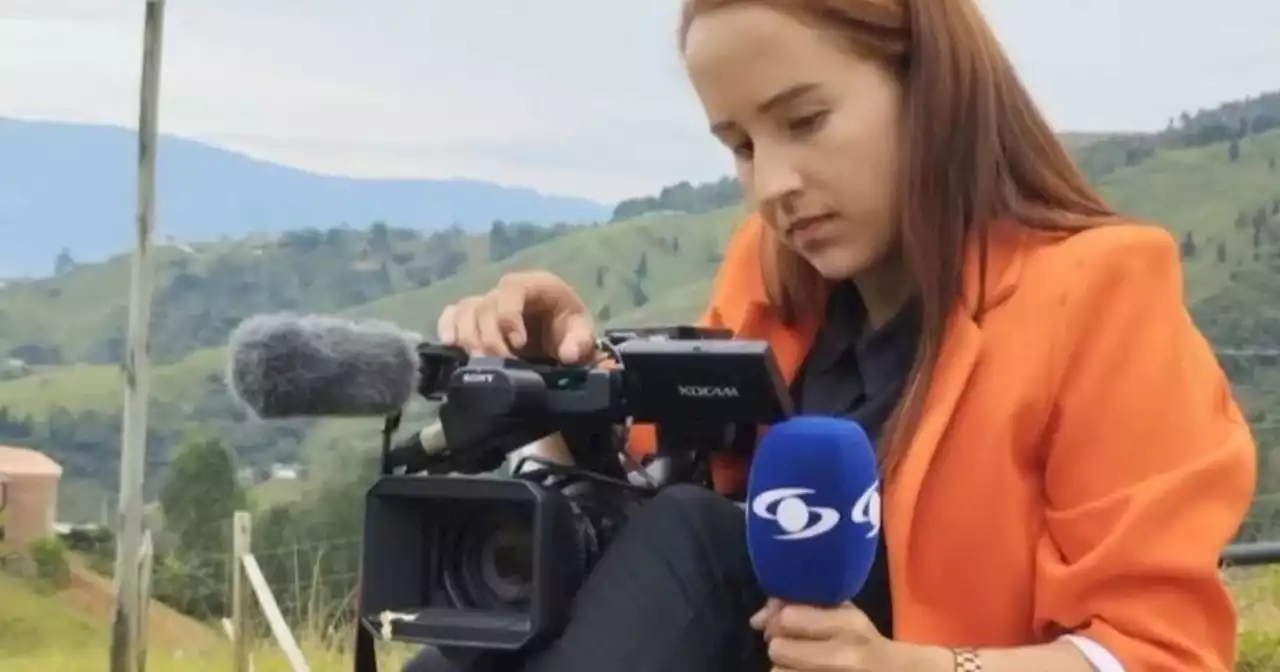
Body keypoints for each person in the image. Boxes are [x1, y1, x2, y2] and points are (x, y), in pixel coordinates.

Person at [407, 0, 1258, 670]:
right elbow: (633, 484)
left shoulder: (1100, 296)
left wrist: (916, 667)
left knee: (698, 538)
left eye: (804, 121)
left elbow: (1158, 656)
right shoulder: (768, 286)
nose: (773, 183)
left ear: (930, 87)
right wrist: (560, 380)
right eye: (740, 144)